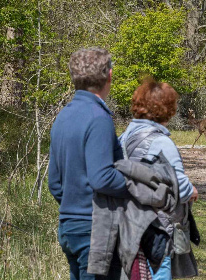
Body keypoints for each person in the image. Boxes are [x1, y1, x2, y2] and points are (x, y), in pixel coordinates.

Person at [48, 47, 129, 280]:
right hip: (95, 231)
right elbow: (101, 177)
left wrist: (74, 208)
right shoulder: (98, 118)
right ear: (110, 76)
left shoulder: (63, 116)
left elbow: (54, 183)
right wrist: (136, 183)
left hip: (69, 229)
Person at [118, 77, 199, 279]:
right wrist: (192, 190)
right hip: (158, 227)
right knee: (159, 271)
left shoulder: (124, 137)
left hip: (129, 223)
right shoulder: (161, 142)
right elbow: (179, 185)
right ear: (166, 109)